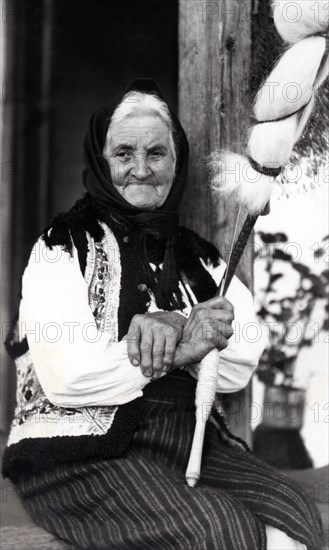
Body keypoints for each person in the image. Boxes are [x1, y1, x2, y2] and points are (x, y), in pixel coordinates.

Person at [3, 79, 322, 550]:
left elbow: (239, 362)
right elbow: (70, 379)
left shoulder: (200, 258)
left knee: (296, 515)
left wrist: (190, 333)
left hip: (186, 441)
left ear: (177, 162)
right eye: (124, 154)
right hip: (81, 455)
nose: (140, 170)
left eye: (156, 154)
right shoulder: (61, 246)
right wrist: (183, 343)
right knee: (220, 529)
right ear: (100, 160)